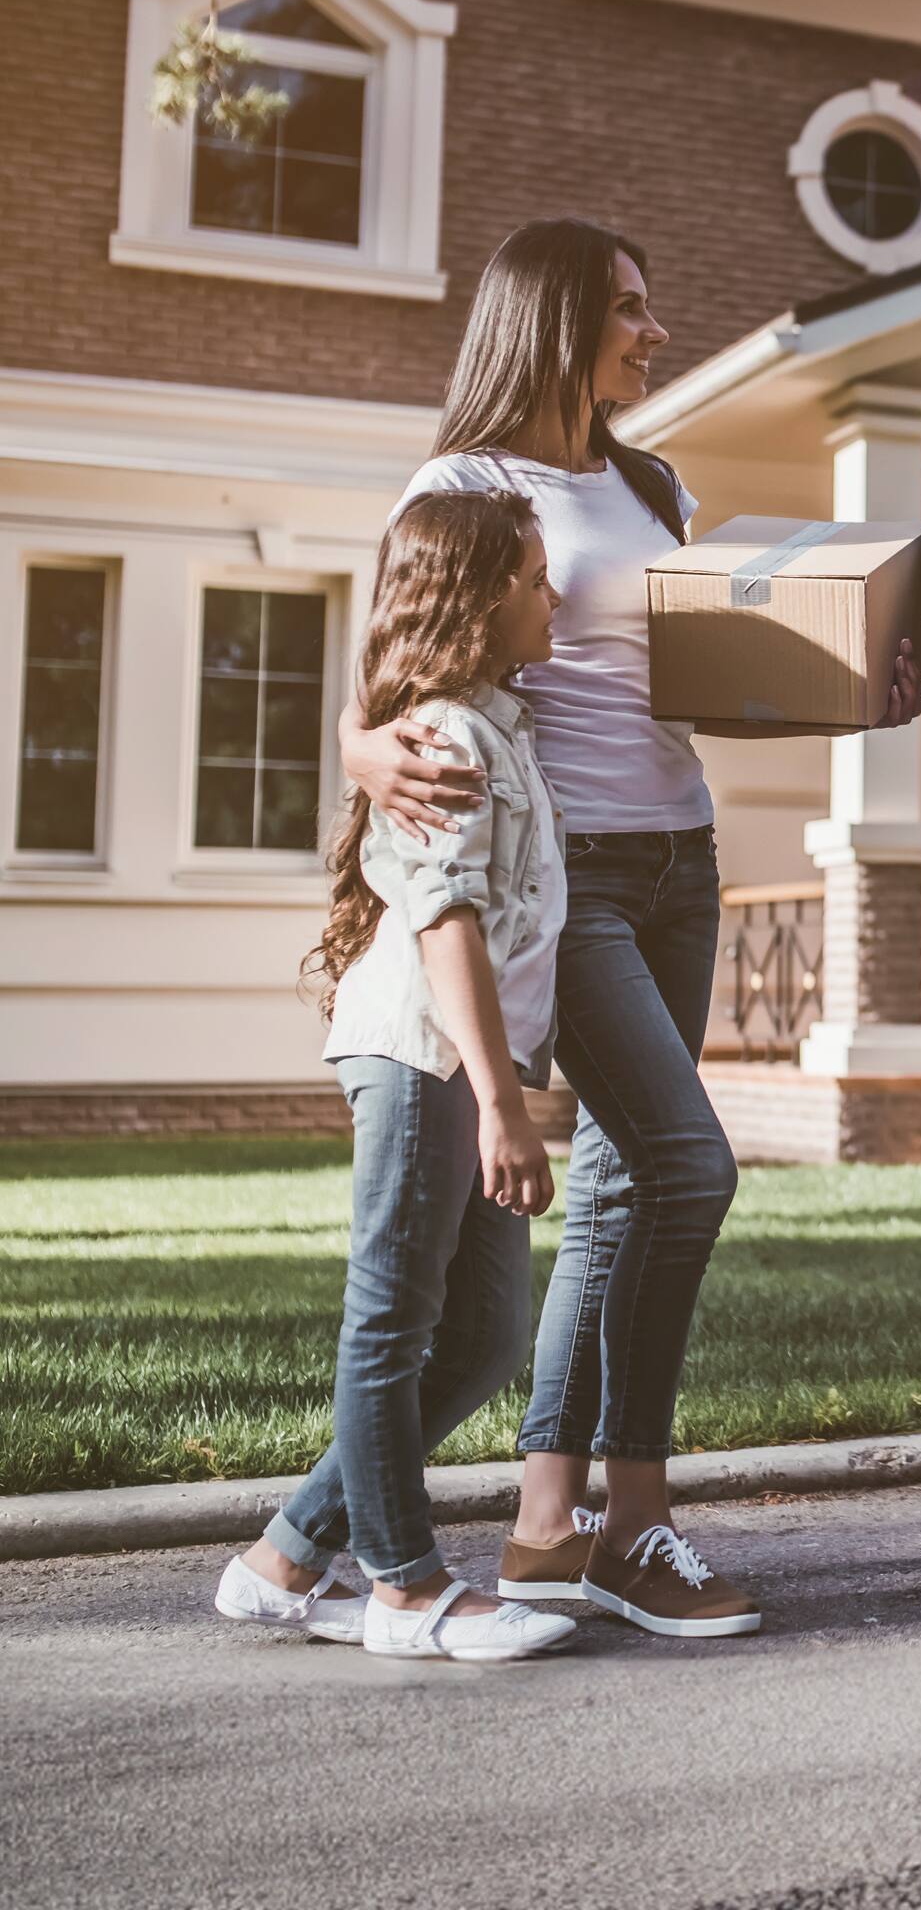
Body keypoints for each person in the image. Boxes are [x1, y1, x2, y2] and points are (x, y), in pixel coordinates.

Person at [342, 219, 921, 1640]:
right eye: (631, 310)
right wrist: (361, 760)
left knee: (618, 1187)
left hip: (682, 856)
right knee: (688, 1167)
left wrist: (855, 691)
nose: (654, 334)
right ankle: (635, 1521)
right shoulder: (465, 482)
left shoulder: (649, 480)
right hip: (572, 876)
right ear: (554, 319)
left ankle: (549, 1525)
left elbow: (678, 683)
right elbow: (396, 670)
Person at [215, 490, 579, 1662]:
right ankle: (406, 1587)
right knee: (393, 1322)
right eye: (535, 577)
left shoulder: (499, 722)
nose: (554, 595)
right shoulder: (444, 739)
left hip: (463, 1060)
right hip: (424, 1054)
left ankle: (282, 1560)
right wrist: (500, 1100)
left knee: (480, 1340)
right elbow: (445, 926)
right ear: (480, 599)